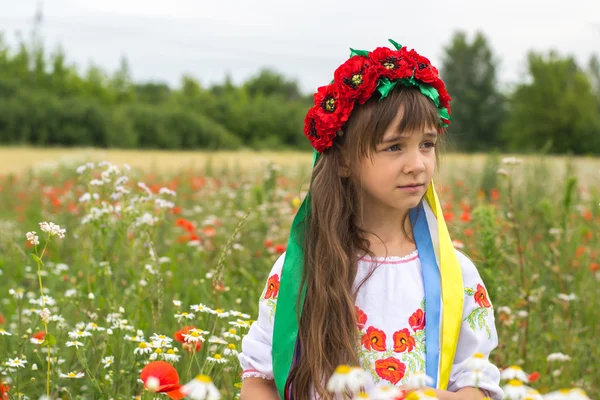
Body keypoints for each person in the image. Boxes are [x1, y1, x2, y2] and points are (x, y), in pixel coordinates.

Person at [238, 39, 503, 400]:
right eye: (395, 147)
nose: (418, 164)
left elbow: (477, 383)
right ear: (344, 160)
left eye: (426, 144)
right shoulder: (302, 270)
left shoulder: (454, 276)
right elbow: (259, 378)